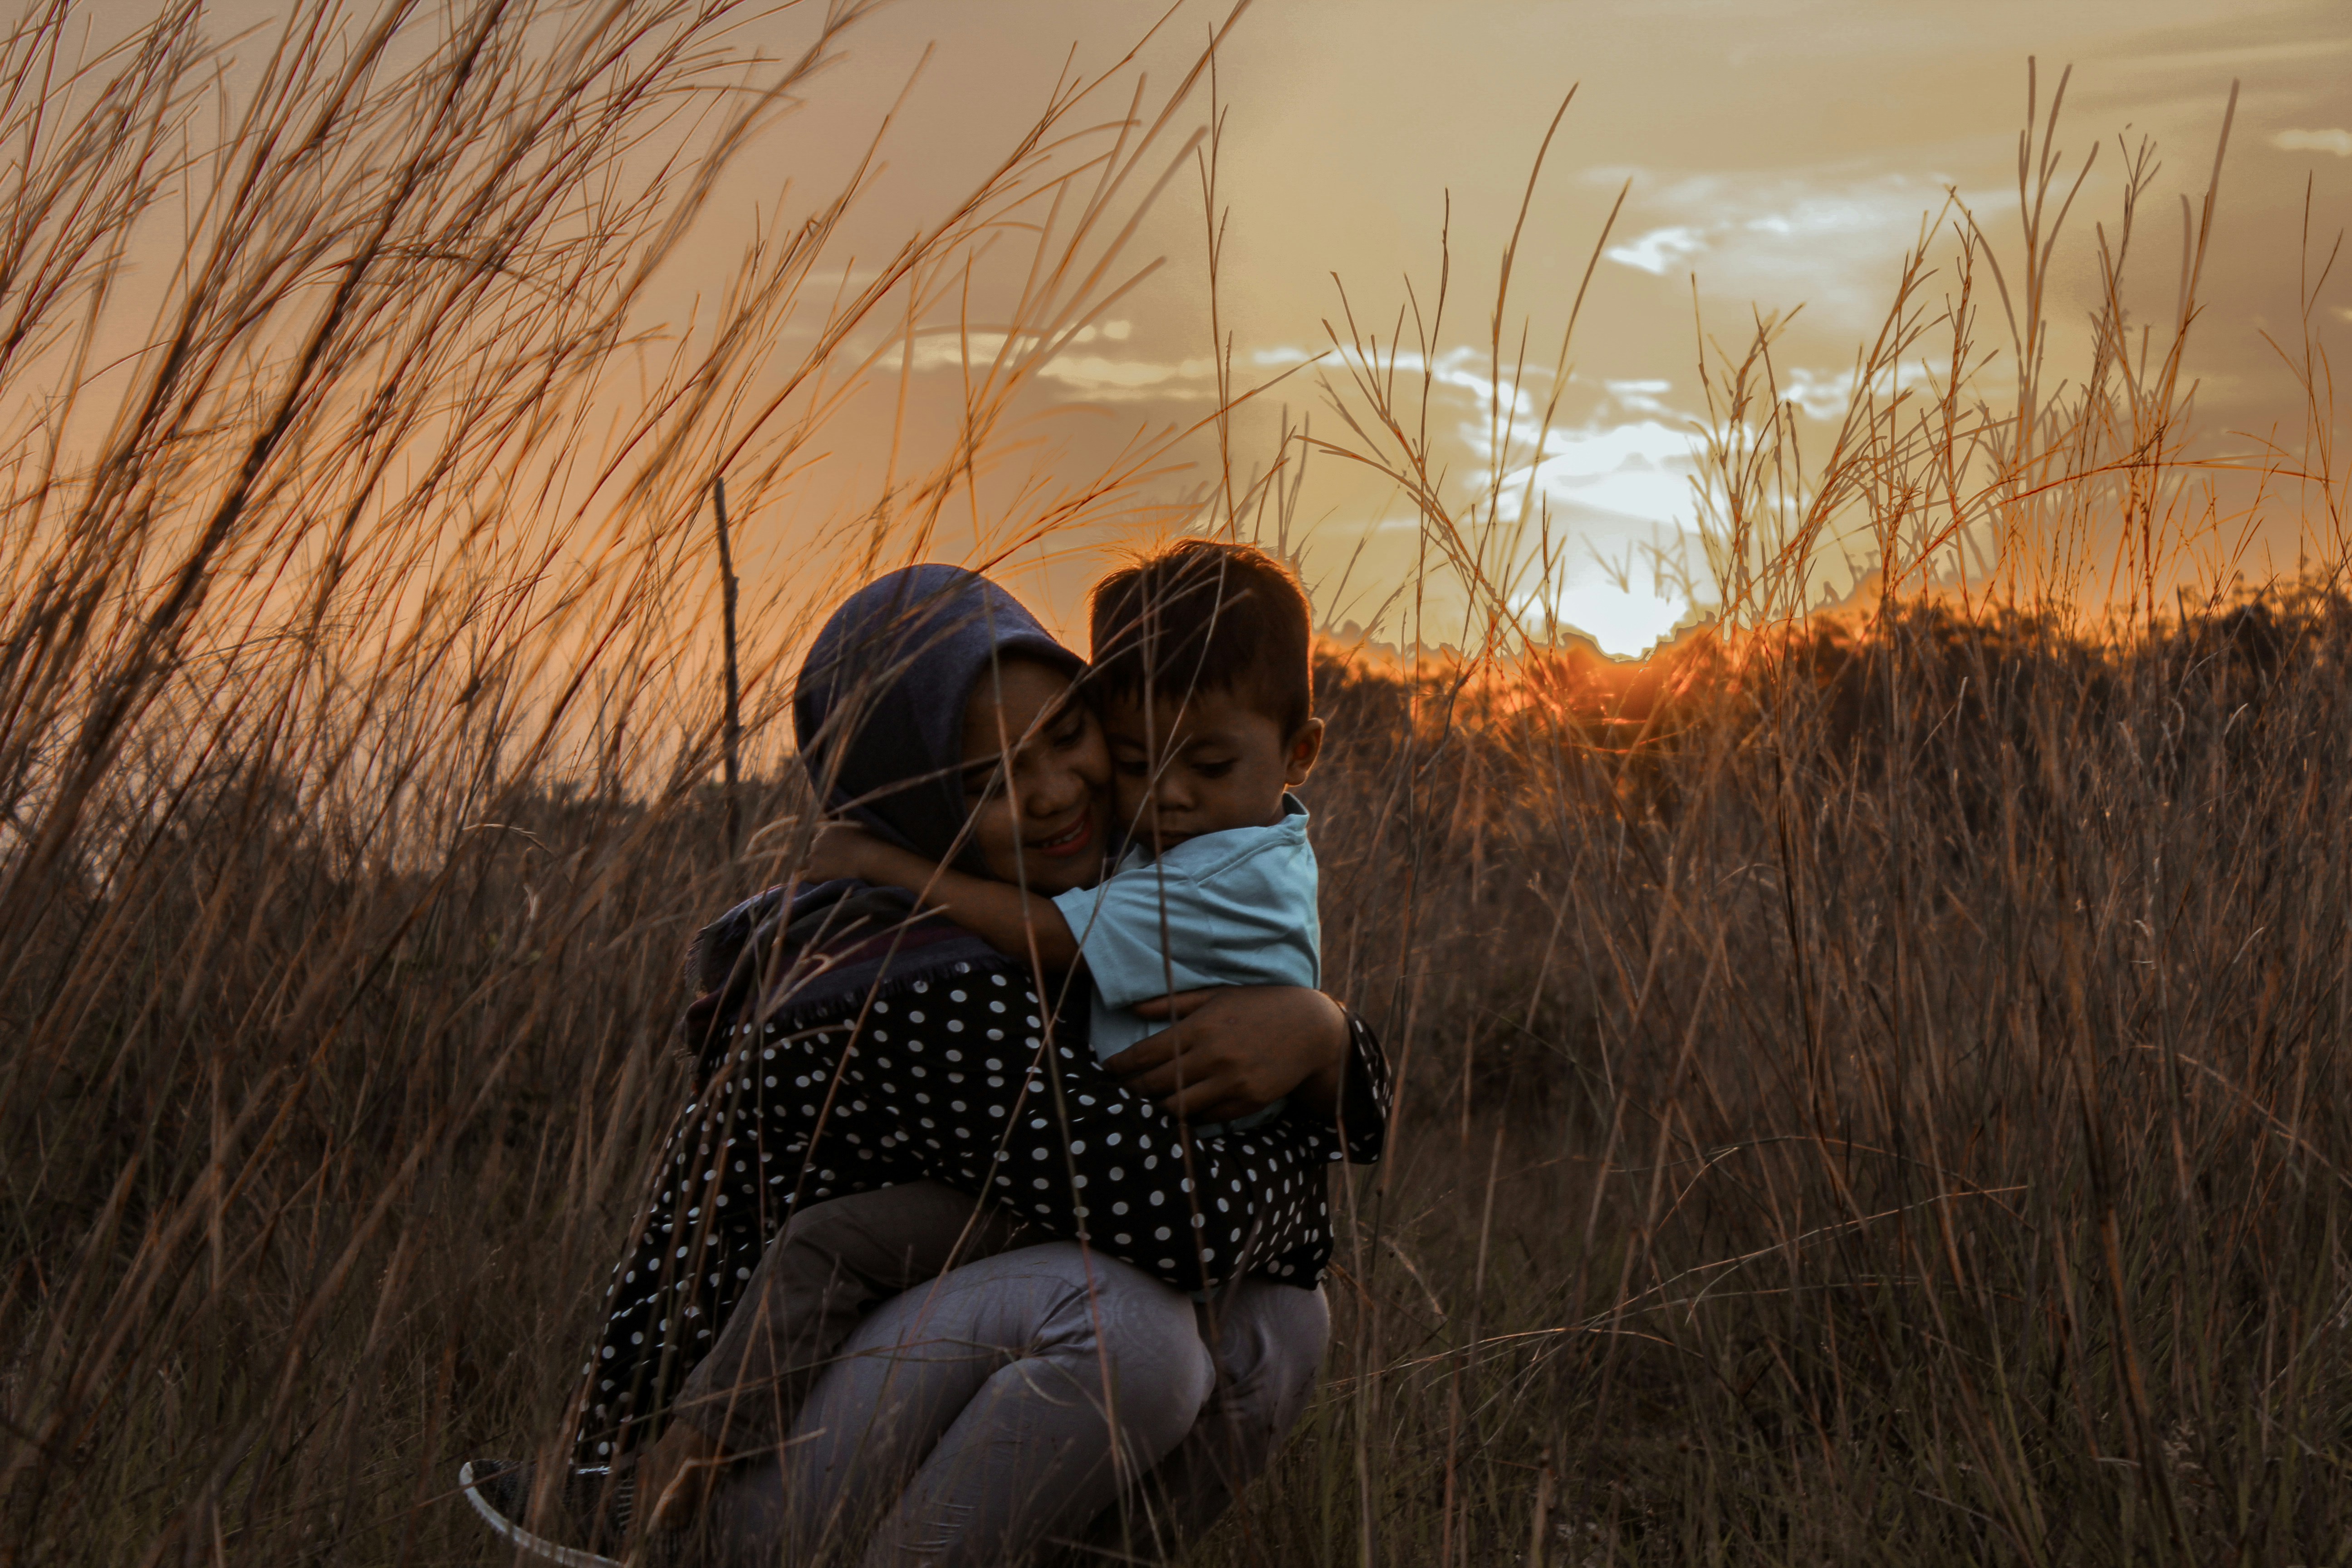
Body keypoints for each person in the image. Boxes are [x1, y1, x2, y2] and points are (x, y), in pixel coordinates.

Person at [459, 564, 1387, 1567]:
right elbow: (1189, 1223)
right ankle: (642, 1523)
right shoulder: (910, 976)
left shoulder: (1141, 865)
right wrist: (1319, 1080)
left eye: (1070, 736)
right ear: (907, 805)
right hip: (746, 1470)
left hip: (897, 1371)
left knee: (1285, 1321)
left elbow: (1242, 1204)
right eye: (987, 783)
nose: (1055, 792)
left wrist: (1325, 1035)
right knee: (1137, 1335)